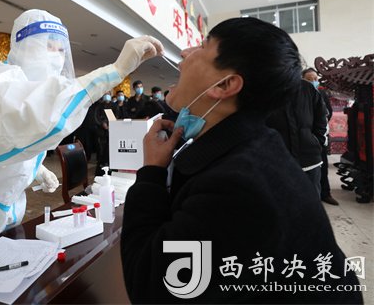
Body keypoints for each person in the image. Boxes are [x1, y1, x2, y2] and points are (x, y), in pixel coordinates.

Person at [121, 17, 362, 303]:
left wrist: (151, 174)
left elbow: (150, 288)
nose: (184, 53)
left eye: (203, 46)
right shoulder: (255, 146)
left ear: (225, 84)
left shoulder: (235, 187)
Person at [0, 9, 163, 262]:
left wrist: (35, 169)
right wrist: (115, 70)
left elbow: (8, 142)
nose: (57, 57)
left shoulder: (23, 85)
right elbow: (35, 113)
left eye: (61, 49)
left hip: (3, 209)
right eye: (49, 46)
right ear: (25, 45)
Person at [267, 72, 328, 197]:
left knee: (311, 201)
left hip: (309, 160)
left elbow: (321, 116)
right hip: (276, 160)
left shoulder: (307, 88)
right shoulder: (264, 90)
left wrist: (316, 141)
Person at [303, 67, 338, 205]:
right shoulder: (300, 94)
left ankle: (325, 193)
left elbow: (329, 112)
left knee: (323, 167)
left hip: (319, 136)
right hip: (305, 136)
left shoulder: (322, 93)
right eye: (309, 79)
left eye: (315, 79)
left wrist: (320, 132)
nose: (313, 82)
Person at [93, 91, 116, 174]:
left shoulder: (114, 105)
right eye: (105, 94)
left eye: (108, 94)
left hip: (112, 130)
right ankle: (101, 166)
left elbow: (117, 116)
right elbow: (96, 117)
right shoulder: (99, 106)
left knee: (111, 148)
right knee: (102, 149)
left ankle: (110, 165)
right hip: (101, 131)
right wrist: (102, 123)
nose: (107, 96)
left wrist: (111, 124)